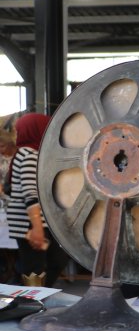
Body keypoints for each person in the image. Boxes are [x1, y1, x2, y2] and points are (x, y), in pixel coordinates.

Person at [6, 113, 68, 286]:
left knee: (53, 259)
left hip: (31, 221)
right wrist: (37, 227)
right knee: (35, 269)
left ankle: (30, 298)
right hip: (31, 222)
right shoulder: (29, 155)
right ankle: (30, 305)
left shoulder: (27, 152)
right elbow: (30, 192)